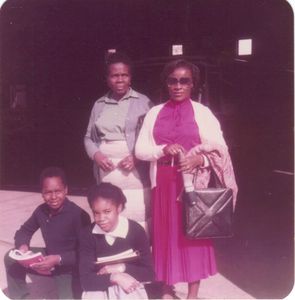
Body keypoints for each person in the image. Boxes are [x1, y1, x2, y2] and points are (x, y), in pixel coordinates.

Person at [135, 59, 238, 299]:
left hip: (192, 182)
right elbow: (140, 150)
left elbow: (220, 150)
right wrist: (162, 150)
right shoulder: (154, 113)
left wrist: (198, 161)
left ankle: (193, 293)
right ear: (166, 83)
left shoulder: (203, 113)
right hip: (163, 181)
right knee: (165, 237)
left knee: (192, 235)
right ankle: (166, 287)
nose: (178, 86)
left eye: (184, 81)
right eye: (173, 81)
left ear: (193, 85)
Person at [84, 52, 153, 228]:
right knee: (109, 212)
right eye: (115, 75)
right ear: (107, 78)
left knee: (137, 213)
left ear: (130, 78)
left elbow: (153, 138)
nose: (120, 79)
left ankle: (140, 250)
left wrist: (137, 158)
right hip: (107, 171)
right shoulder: (99, 104)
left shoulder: (144, 102)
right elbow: (88, 138)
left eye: (124, 75)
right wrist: (97, 155)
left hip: (135, 172)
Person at [4, 167, 91, 299]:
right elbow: (24, 231)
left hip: (69, 269)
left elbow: (86, 253)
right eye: (48, 192)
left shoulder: (79, 215)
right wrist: (23, 247)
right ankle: (20, 297)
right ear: (42, 193)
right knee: (10, 258)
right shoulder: (41, 211)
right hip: (46, 260)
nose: (53, 197)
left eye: (58, 191)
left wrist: (58, 259)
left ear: (66, 190)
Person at [79, 182, 155, 299]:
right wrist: (114, 277)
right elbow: (86, 281)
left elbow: (149, 273)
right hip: (100, 286)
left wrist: (121, 268)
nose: (101, 219)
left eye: (107, 212)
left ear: (119, 208)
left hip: (129, 284)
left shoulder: (135, 231)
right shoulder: (87, 234)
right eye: (96, 213)